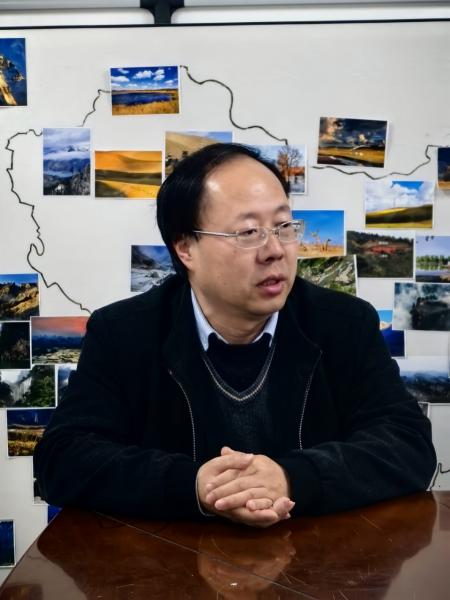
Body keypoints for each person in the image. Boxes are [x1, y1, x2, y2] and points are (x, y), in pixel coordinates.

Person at [34, 143, 436, 528]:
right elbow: (62, 459)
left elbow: (407, 444)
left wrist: (291, 478)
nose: (275, 250)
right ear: (185, 248)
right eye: (248, 232)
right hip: (172, 562)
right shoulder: (123, 333)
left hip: (321, 560)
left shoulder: (344, 324)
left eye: (284, 226)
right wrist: (195, 486)